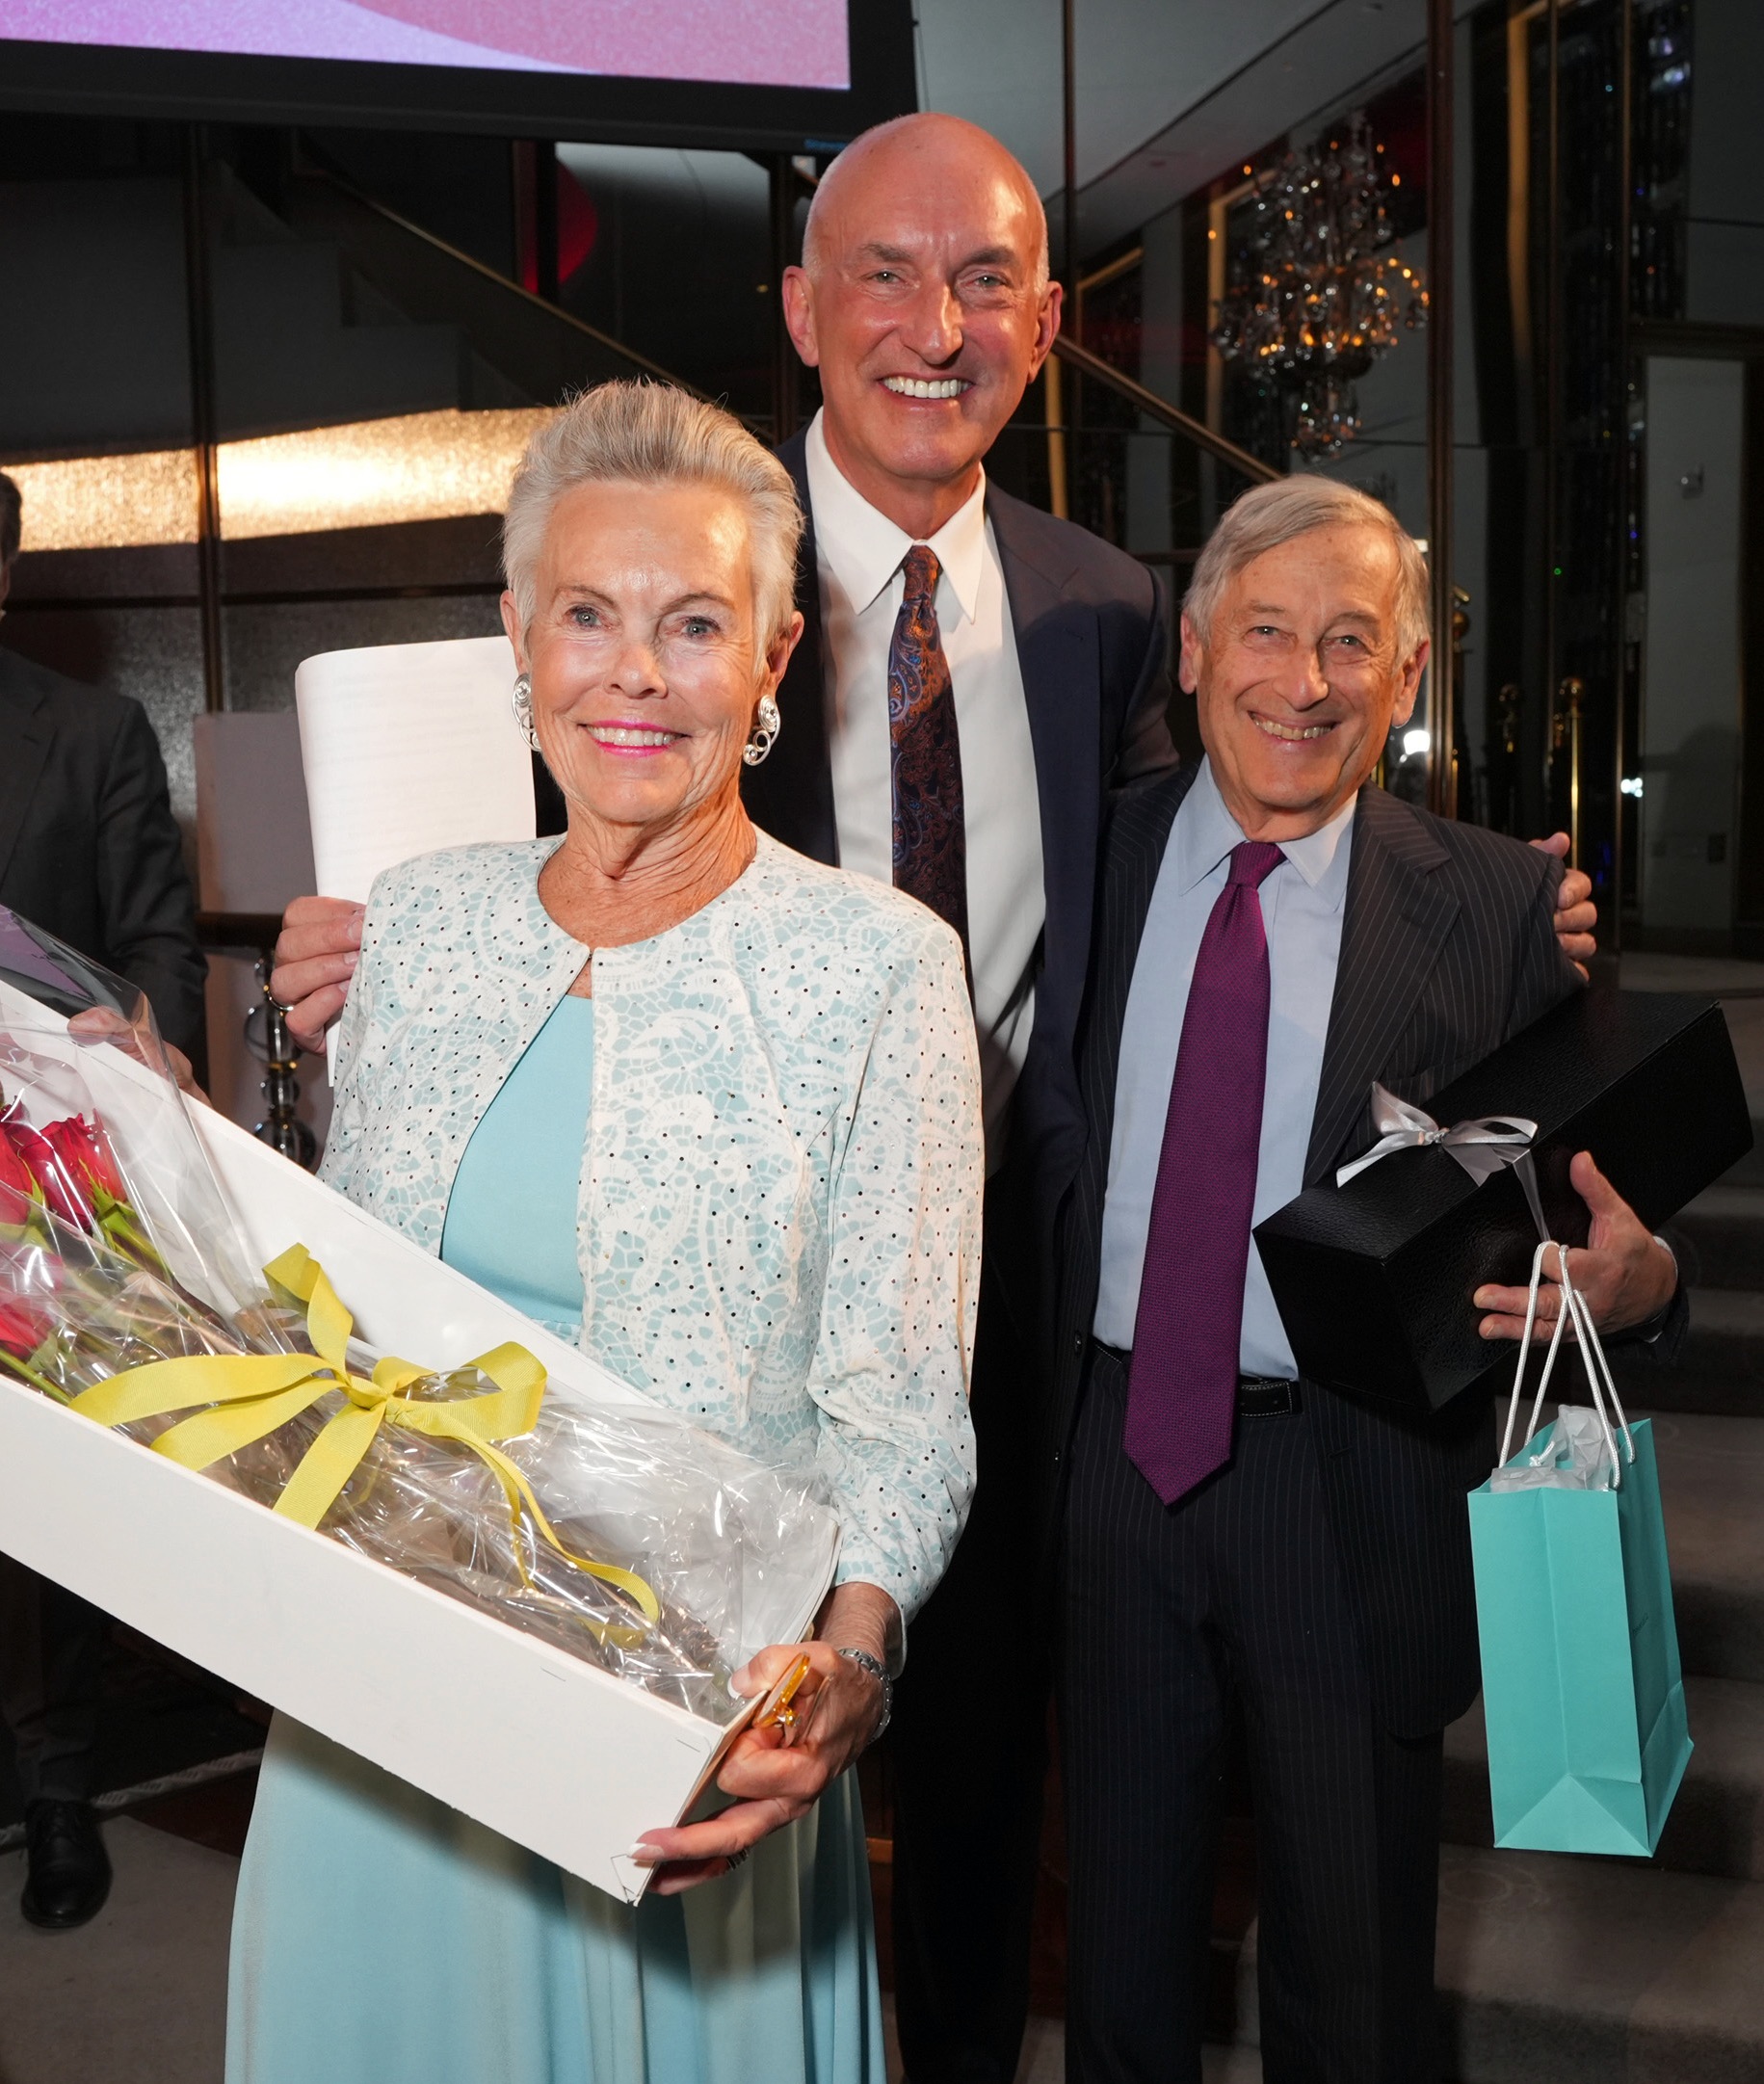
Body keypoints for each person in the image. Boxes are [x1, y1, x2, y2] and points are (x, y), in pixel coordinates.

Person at [266, 115, 1602, 2084]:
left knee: (987, 1797)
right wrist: (357, 988)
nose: (931, 322)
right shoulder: (671, 547)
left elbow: (1258, 823)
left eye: (982, 281)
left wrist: (1489, 892)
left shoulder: (1097, 603)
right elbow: (531, 924)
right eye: (882, 274)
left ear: (1045, 325)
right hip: (709, 1318)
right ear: (798, 310)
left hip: (1024, 1302)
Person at [226, 381, 981, 2084]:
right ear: (517, 635)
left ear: (774, 657)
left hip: (685, 1733)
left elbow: (904, 1404)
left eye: (696, 622)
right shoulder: (416, 923)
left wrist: (848, 1664)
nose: (636, 672)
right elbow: (347, 1315)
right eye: (588, 615)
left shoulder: (880, 969)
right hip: (374, 1710)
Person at [1046, 476, 1682, 2083]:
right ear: (1194, 649)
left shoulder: (1503, 910)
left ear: (1406, 681)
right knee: (1117, 1969)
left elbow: (1614, 1206)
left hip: (1352, 1484)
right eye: (1265, 631)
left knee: (1359, 1988)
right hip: (1105, 1472)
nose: (1303, 681)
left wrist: (1640, 1283)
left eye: (1352, 643)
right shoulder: (1076, 868)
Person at [0, 470, 207, 1932]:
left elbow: (156, 942)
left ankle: (58, 1788)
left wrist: (157, 1046)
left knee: (39, 1508)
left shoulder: (91, 734)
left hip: (41, 1177)